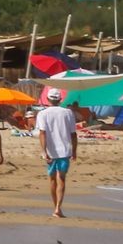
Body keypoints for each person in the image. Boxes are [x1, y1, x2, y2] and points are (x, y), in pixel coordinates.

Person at [34, 89, 78, 218]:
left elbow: (42, 133)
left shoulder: (42, 114)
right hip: (64, 150)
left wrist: (44, 151)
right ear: (60, 100)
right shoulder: (68, 113)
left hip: (51, 151)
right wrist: (74, 151)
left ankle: (56, 207)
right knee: (61, 178)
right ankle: (58, 207)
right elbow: (73, 134)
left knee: (52, 179)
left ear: (48, 99)